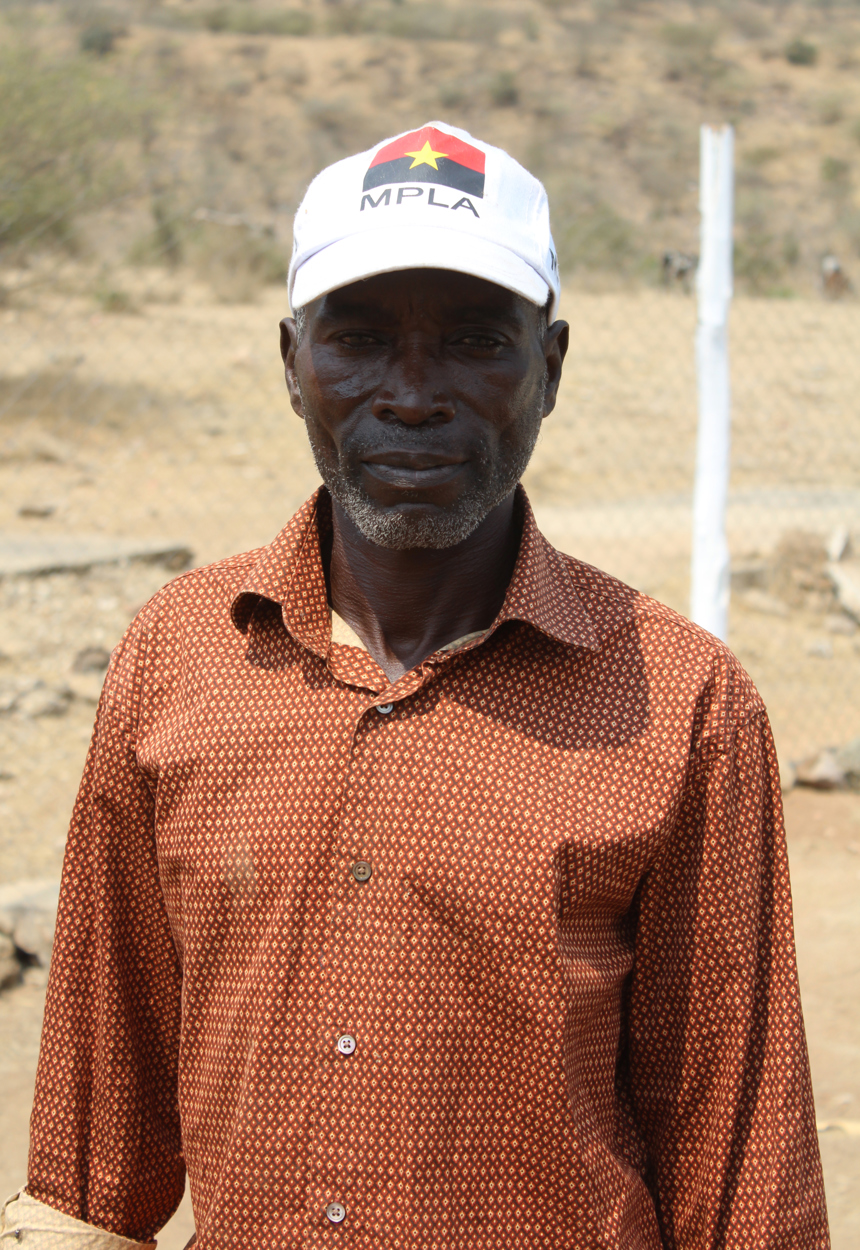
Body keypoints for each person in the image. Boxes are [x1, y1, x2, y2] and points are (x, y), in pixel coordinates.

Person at [5, 124, 828, 1249]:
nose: (410, 393)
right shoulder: (178, 656)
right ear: (292, 361)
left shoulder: (679, 700)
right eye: (357, 339)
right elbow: (95, 1155)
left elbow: (738, 1169)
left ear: (549, 366)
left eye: (476, 341)